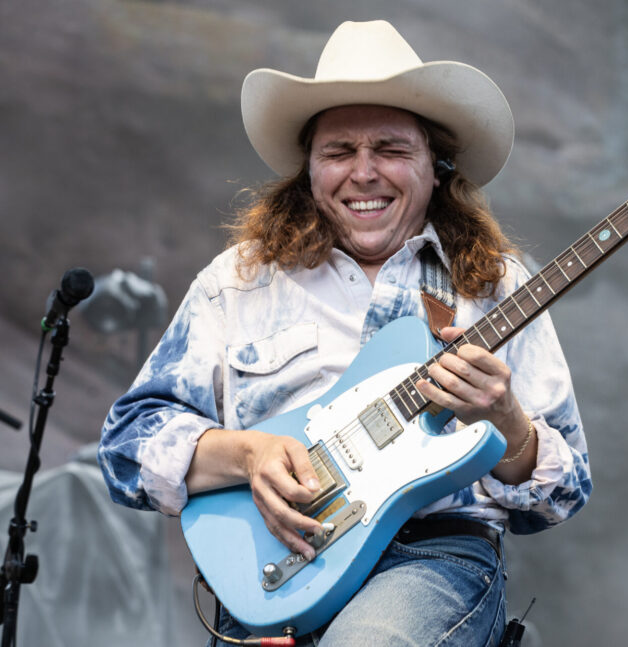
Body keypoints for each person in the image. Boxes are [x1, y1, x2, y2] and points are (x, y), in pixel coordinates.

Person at [99, 20, 591, 647]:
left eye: (390, 149)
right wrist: (247, 455)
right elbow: (126, 448)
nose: (364, 173)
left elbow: (565, 489)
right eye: (338, 152)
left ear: (434, 168)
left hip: (433, 562)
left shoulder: (494, 286)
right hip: (274, 569)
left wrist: (508, 423)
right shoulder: (238, 282)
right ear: (309, 169)